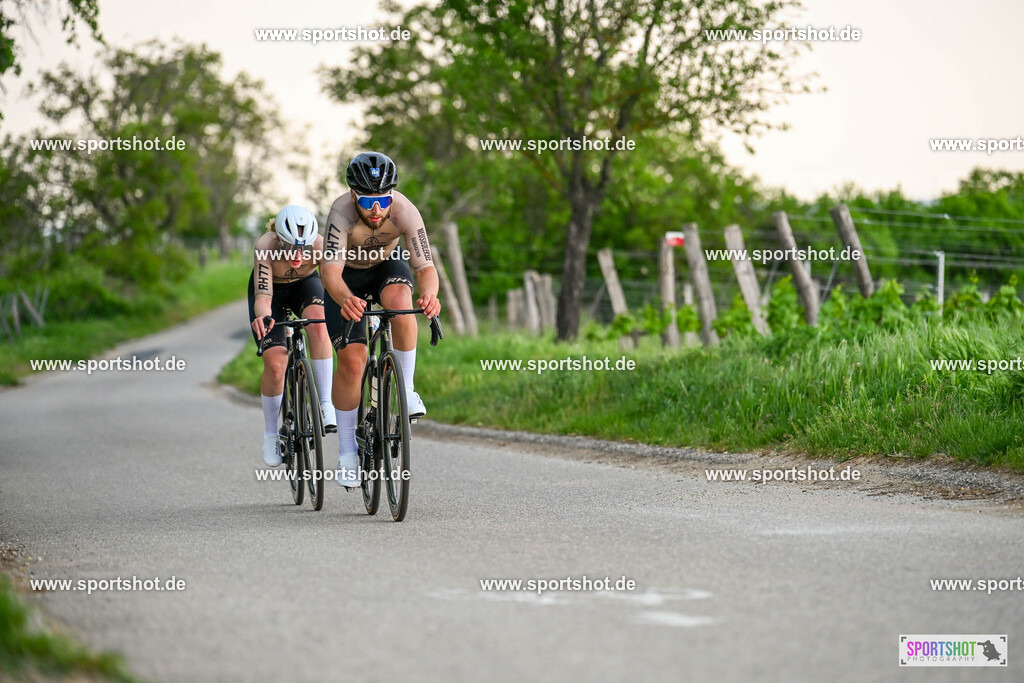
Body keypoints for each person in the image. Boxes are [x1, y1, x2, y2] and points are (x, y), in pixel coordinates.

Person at [320, 152, 441, 489]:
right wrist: (346, 299)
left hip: (386, 267)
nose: (377, 209)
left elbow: (425, 267)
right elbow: (329, 271)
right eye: (368, 200)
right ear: (353, 195)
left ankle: (407, 389)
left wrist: (429, 294)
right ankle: (347, 453)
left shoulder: (405, 211)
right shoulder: (340, 213)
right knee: (354, 360)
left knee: (402, 304)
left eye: (383, 199)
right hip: (345, 280)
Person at [249, 205, 337, 467]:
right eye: (291, 248)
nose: (298, 255)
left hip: (305, 286)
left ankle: (324, 403)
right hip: (271, 294)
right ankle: (270, 433)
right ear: (278, 240)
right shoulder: (265, 244)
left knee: (320, 325)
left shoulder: (320, 245)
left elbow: (334, 284)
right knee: (276, 365)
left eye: (304, 248)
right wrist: (264, 316)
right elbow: (263, 296)